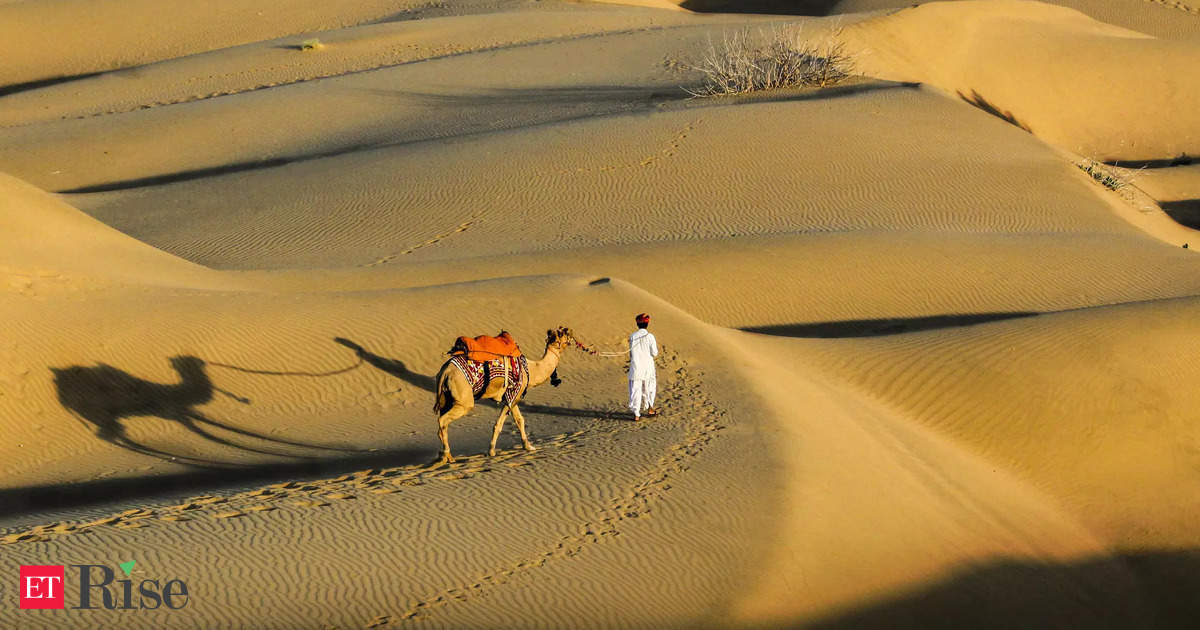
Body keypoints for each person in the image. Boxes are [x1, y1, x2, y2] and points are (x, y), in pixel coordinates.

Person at [628, 312, 659, 420]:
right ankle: (650, 409)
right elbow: (654, 353)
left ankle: (636, 414)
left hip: (636, 366)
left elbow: (631, 354)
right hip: (648, 367)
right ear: (647, 324)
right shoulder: (650, 336)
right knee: (649, 387)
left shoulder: (632, 336)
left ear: (637, 324)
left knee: (635, 389)